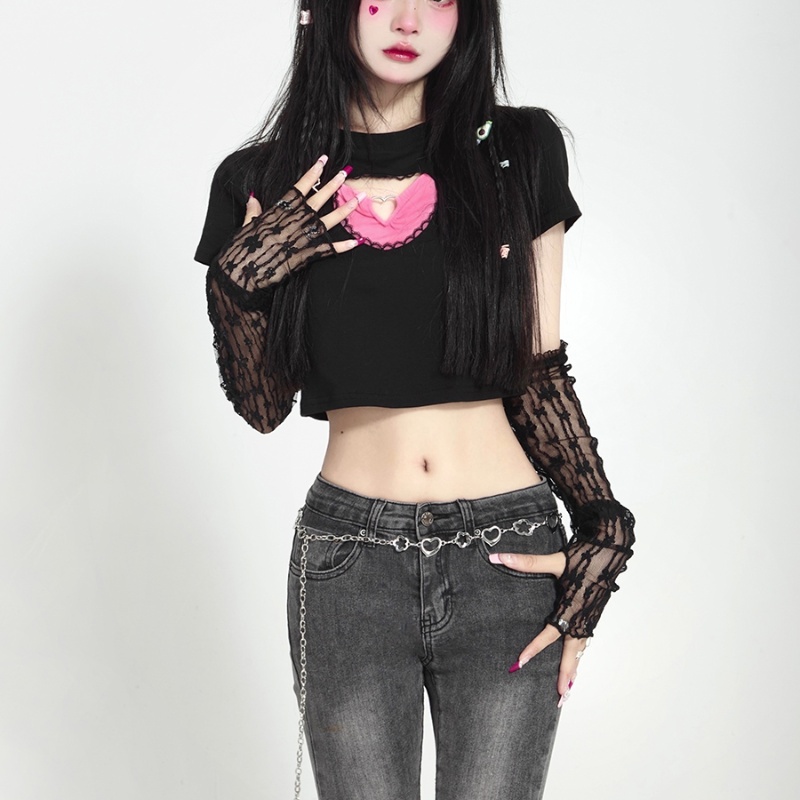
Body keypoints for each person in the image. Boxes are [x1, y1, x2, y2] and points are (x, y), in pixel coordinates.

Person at [194, 1, 635, 798]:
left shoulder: (518, 152)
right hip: (348, 564)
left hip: (506, 555)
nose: (407, 19)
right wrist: (238, 281)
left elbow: (538, 370)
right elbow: (263, 406)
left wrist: (603, 526)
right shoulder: (260, 181)